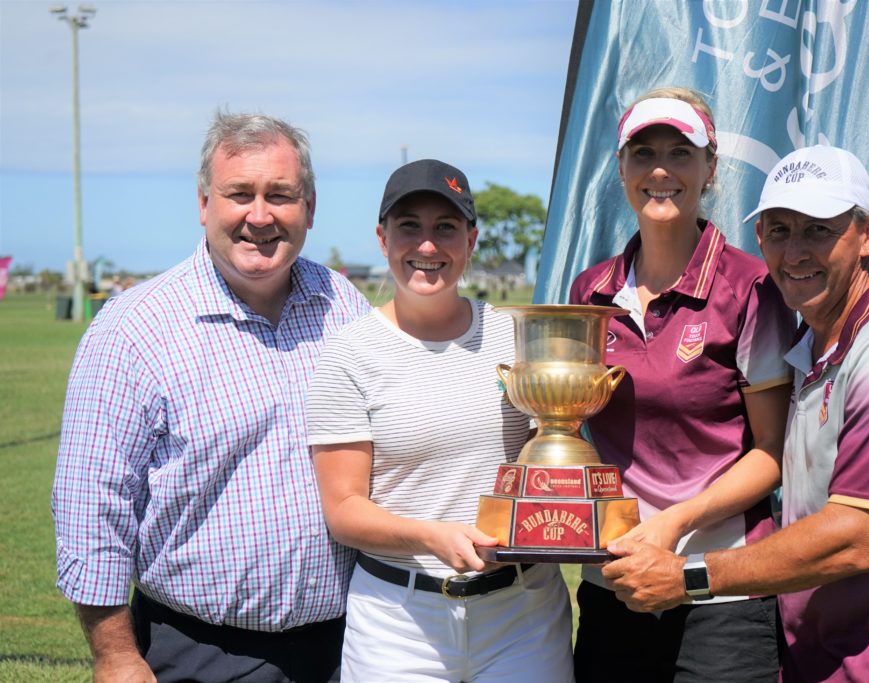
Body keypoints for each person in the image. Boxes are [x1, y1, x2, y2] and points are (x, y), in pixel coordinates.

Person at [604, 145, 869, 682]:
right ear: (759, 239)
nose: (796, 252)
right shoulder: (817, 342)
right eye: (779, 231)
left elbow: (854, 537)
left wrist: (689, 577)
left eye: (819, 230)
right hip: (829, 658)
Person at [51, 112, 371, 682]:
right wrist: (117, 655)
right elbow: (91, 504)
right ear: (204, 204)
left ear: (310, 208)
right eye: (239, 194)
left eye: (281, 195)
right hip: (199, 653)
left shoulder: (343, 306)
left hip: (348, 646)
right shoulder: (133, 329)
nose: (260, 216)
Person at [306, 159, 574, 682]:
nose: (427, 246)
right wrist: (431, 536)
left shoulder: (515, 337)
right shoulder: (347, 354)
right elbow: (344, 510)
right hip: (399, 624)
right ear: (382, 239)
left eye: (445, 228)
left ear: (471, 241)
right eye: (410, 226)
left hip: (522, 613)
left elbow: (555, 448)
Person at [568, 87, 796, 681]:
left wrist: (672, 523)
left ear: (710, 167)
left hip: (718, 588)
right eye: (643, 154)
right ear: (621, 168)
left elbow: (771, 453)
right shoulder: (590, 291)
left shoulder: (749, 287)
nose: (661, 169)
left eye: (681, 152)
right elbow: (569, 432)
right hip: (614, 579)